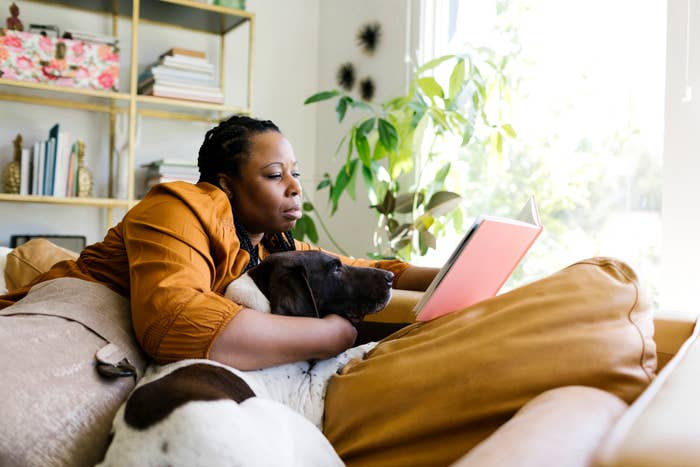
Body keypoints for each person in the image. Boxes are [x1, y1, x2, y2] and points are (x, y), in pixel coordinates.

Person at [0, 115, 656, 467]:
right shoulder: (178, 206)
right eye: (275, 174)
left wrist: (446, 267)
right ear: (226, 181)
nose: (295, 188)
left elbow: (353, 262)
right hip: (75, 296)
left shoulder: (272, 241)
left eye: (297, 175)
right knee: (32, 262)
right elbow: (173, 325)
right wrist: (335, 334)